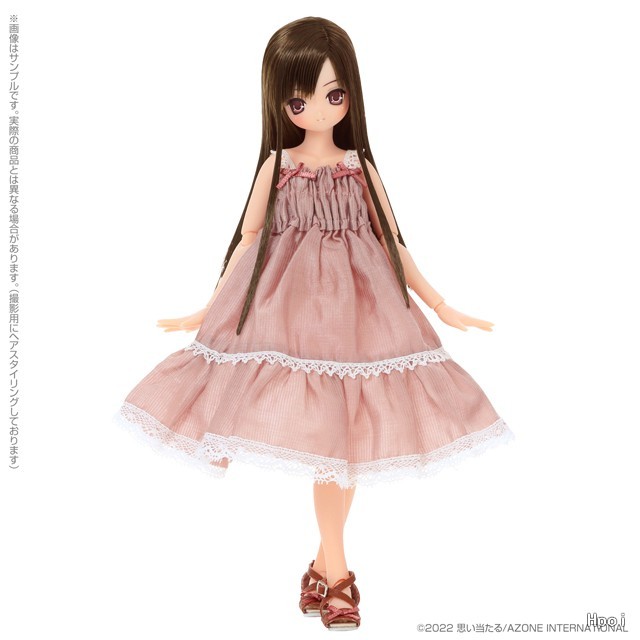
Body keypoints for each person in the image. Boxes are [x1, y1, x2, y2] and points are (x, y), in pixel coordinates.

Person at [113, 16, 515, 630]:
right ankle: (338, 574)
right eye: (300, 101)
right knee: (333, 445)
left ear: (351, 94)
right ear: (281, 103)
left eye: (334, 94)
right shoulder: (277, 166)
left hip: (362, 319)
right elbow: (250, 238)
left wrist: (438, 303)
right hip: (289, 320)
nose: (319, 110)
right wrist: (210, 306)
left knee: (344, 445)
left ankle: (325, 569)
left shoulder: (360, 169)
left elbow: (393, 242)